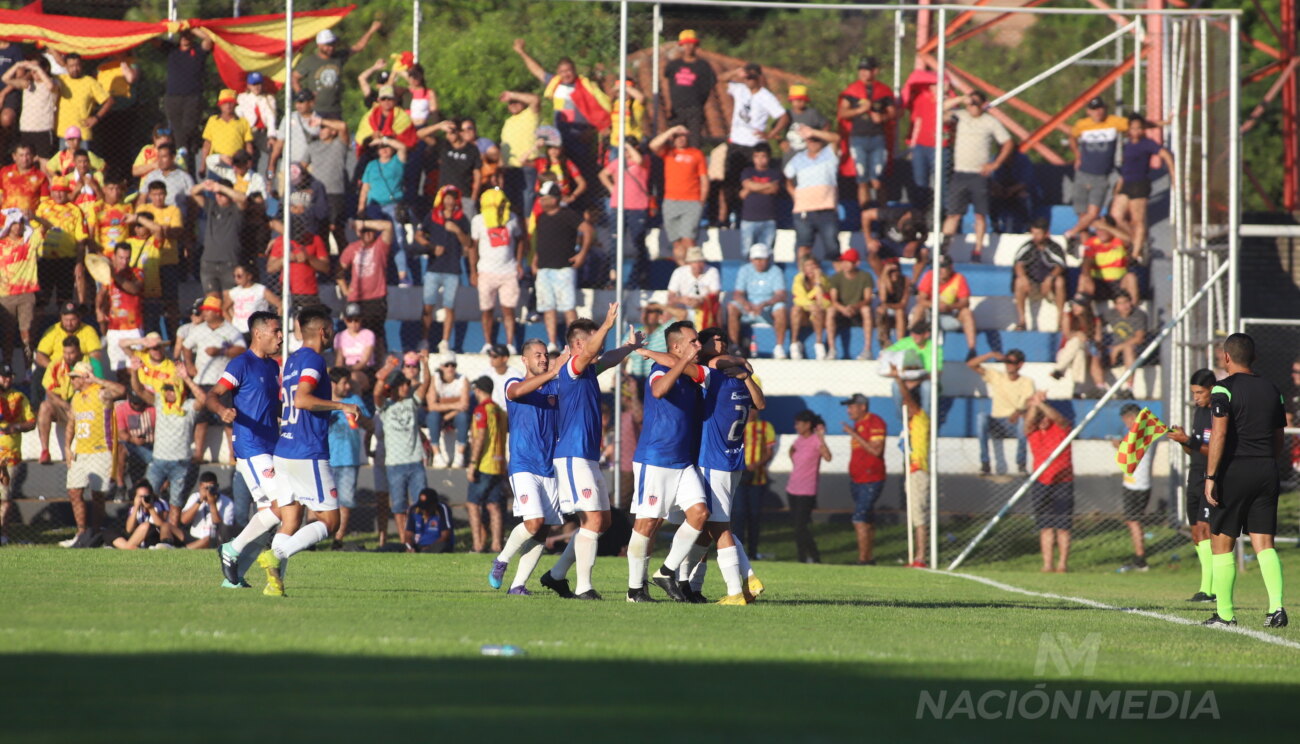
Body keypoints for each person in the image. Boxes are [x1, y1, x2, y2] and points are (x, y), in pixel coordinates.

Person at [515, 303, 642, 600]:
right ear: (580, 344)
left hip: (586, 456)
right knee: (592, 522)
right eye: (594, 337)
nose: (600, 343)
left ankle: (556, 575)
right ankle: (584, 587)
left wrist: (628, 347)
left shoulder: (586, 369)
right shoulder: (572, 367)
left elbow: (607, 358)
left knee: (604, 521)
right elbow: (589, 354)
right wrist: (608, 325)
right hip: (572, 457)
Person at [259, 307, 361, 597]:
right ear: (323, 331)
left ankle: (274, 585)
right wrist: (342, 406)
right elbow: (302, 400)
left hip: (285, 449)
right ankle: (275, 556)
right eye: (331, 329)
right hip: (307, 451)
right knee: (330, 521)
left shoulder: (292, 360)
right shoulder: (315, 360)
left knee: (290, 522)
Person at [1202, 333, 1287, 627]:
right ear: (1255, 358)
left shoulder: (1223, 389)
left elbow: (1220, 433)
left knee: (1222, 544)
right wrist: (1269, 462)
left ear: (1226, 357)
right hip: (1266, 469)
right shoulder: (1272, 389)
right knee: (1264, 542)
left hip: (1235, 471)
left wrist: (1211, 476)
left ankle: (1225, 614)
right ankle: (1276, 608)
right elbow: (1279, 436)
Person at [626, 320, 708, 602]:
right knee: (647, 524)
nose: (699, 346)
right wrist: (668, 360)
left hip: (683, 462)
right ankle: (635, 590)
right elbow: (659, 390)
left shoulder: (692, 375)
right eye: (693, 342)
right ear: (676, 346)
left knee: (700, 514)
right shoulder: (660, 370)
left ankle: (666, 571)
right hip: (655, 458)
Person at [692, 327, 766, 604]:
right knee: (706, 528)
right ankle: (693, 586)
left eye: (723, 339)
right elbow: (760, 402)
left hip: (713, 458)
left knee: (717, 526)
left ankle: (743, 582)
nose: (720, 344)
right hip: (732, 459)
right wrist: (744, 367)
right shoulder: (737, 377)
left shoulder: (716, 377)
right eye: (716, 339)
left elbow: (711, 364)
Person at [212, 311, 285, 587]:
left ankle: (234, 578)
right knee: (282, 507)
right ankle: (231, 549)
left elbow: (271, 405)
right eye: (276, 331)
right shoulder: (240, 364)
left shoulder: (272, 366)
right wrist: (222, 410)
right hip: (251, 446)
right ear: (258, 333)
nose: (280, 337)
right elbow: (214, 395)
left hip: (271, 444)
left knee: (269, 514)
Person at [491, 339, 565, 594]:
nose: (543, 359)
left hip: (549, 467)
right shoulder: (513, 382)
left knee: (542, 531)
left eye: (545, 355)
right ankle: (501, 559)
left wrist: (628, 349)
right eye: (537, 355)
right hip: (523, 465)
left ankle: (518, 585)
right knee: (534, 522)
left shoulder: (555, 386)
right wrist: (554, 371)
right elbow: (514, 394)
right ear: (524, 360)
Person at [940, 91, 1013, 262]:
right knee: (953, 214)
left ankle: (977, 250)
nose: (972, 106)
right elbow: (941, 110)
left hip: (979, 174)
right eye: (970, 103)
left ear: (983, 104)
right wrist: (960, 99)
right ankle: (943, 250)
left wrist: (995, 164)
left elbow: (1007, 142)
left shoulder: (990, 122)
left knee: (980, 214)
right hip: (960, 172)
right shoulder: (961, 116)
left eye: (975, 103)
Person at [60, 362, 125, 548]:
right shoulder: (76, 398)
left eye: (75, 377)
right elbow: (72, 422)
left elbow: (121, 390)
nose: (72, 381)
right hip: (81, 451)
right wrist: (67, 446)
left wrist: (96, 379)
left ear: (84, 377)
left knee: (97, 495)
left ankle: (96, 533)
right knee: (74, 491)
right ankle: (81, 532)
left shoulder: (101, 392)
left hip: (100, 451)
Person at [1168, 368, 1218, 603]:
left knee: (1207, 530)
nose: (1196, 397)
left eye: (1200, 392)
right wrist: (1183, 440)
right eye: (1193, 393)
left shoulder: (1218, 414)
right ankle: (1205, 588)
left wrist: (1188, 441)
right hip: (1195, 474)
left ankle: (1210, 589)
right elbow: (1194, 450)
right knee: (1197, 533)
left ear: (1211, 389)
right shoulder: (1199, 412)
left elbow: (1216, 451)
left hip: (1211, 477)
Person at [719, 63, 788, 226]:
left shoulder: (765, 96)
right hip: (736, 142)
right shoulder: (740, 89)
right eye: (747, 77)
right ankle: (728, 217)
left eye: (752, 77)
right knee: (730, 183)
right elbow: (720, 80)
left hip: (753, 145)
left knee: (751, 183)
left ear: (759, 78)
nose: (749, 80)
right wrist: (736, 72)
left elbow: (783, 116)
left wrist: (771, 134)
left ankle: (746, 216)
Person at [374, 352, 431, 546]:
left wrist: (425, 364)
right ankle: (405, 542)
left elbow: (426, 384)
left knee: (421, 504)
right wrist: (388, 368)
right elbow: (376, 392)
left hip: (415, 462)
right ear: (397, 387)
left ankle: (421, 539)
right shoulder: (385, 406)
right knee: (398, 507)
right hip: (394, 464)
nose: (408, 387)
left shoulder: (412, 402)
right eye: (404, 385)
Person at [531, 180, 592, 352]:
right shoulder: (541, 218)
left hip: (563, 269)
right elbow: (540, 242)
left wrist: (582, 254)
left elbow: (587, 229)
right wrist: (535, 261)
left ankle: (576, 344)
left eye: (545, 197)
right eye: (540, 197)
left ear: (555, 198)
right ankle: (552, 343)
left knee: (568, 308)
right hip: (544, 269)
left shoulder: (568, 215)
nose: (541, 200)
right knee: (547, 307)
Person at [183, 295, 244, 462]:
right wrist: (189, 364)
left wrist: (221, 352)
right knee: (201, 420)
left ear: (217, 312)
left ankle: (233, 455)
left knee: (229, 420)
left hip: (223, 383)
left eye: (208, 311)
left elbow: (241, 350)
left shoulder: (231, 330)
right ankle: (198, 454)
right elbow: (186, 347)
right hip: (202, 381)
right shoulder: (198, 330)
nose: (205, 314)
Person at [139, 369, 205, 525]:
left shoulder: (188, 406)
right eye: (166, 390)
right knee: (147, 498)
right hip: (158, 461)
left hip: (181, 463)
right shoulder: (160, 403)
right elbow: (140, 391)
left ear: (180, 390)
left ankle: (171, 540)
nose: (168, 393)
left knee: (176, 503)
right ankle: (146, 533)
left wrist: (186, 379)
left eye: (172, 389)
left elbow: (203, 398)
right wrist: (135, 372)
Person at [1111, 114, 1175, 264]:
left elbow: (1165, 154)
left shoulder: (1147, 144)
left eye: (1139, 128)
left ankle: (1135, 253)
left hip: (1140, 184)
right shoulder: (1127, 144)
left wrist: (1173, 175)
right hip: (1126, 182)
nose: (1136, 131)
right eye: (1133, 128)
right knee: (1116, 217)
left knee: (1137, 219)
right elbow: (1126, 167)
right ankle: (1136, 240)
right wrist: (1119, 184)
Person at [1064, 97, 1127, 245]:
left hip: (1101, 175)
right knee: (1082, 214)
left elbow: (1136, 126)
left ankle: (1071, 233)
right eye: (1094, 109)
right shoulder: (1082, 125)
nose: (1097, 112)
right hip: (1083, 173)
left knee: (1093, 213)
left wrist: (1163, 123)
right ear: (1088, 112)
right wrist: (1077, 156)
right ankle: (1086, 248)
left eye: (1100, 108)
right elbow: (1072, 137)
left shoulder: (1113, 122)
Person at [414, 186, 469, 352]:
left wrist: (457, 231)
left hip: (452, 269)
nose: (450, 201)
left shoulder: (461, 219)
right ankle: (424, 339)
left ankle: (445, 341)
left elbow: (468, 243)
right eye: (447, 198)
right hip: (434, 268)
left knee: (449, 306)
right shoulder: (432, 216)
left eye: (453, 198)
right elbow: (419, 235)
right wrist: (431, 247)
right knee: (428, 305)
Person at [469, 189, 525, 353]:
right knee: (487, 310)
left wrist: (519, 263)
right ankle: (488, 343)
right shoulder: (478, 220)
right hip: (485, 271)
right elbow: (472, 247)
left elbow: (521, 240)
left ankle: (509, 344)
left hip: (508, 271)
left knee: (509, 310)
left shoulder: (512, 218)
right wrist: (473, 271)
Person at [1024, 392, 1074, 573]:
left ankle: (1062, 564)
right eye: (1040, 417)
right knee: (1045, 526)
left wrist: (1041, 405)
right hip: (1042, 482)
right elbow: (1027, 424)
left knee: (1063, 526)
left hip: (1063, 481)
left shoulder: (1061, 428)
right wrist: (1034, 406)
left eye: (1045, 416)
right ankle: (1047, 564)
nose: (1043, 420)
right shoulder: (1034, 432)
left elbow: (1059, 419)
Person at [837, 56, 895, 208]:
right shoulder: (852, 90)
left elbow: (894, 112)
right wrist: (859, 110)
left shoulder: (883, 90)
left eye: (867, 70)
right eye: (861, 70)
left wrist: (882, 117)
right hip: (858, 138)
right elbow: (842, 112)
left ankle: (883, 216)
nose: (863, 73)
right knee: (861, 179)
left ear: (875, 71)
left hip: (877, 138)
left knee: (877, 179)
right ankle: (865, 217)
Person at [293, 23, 383, 121]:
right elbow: (294, 78)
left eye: (332, 45)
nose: (331, 48)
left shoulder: (338, 57)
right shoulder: (310, 61)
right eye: (327, 45)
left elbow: (358, 47)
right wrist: (303, 96)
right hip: (316, 110)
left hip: (334, 109)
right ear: (319, 45)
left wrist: (371, 30)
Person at [968, 349, 1035, 477]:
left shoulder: (1027, 382)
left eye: (1012, 362)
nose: (1008, 365)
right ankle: (985, 464)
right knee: (981, 417)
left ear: (1020, 364)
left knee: (1023, 421)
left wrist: (1018, 412)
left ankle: (1021, 464)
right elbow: (971, 365)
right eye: (1006, 361)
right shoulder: (996, 376)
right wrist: (991, 355)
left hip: (1014, 423)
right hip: (997, 421)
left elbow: (1029, 403)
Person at [889, 364, 931, 567]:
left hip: (918, 470)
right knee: (915, 515)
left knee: (919, 515)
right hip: (911, 471)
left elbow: (909, 400)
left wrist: (899, 380)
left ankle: (920, 557)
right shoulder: (910, 425)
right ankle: (917, 556)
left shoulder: (921, 419)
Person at [357, 135, 411, 286]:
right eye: (381, 148)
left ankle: (402, 276)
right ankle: (378, 275)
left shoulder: (397, 162)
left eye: (386, 147)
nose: (384, 150)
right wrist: (361, 210)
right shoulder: (372, 165)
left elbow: (403, 148)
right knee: (376, 241)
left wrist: (384, 140)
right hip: (374, 207)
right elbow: (365, 188)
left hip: (392, 206)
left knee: (397, 240)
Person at [327, 367, 372, 549]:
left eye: (349, 382)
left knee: (345, 500)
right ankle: (312, 541)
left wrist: (359, 418)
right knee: (318, 499)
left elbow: (370, 424)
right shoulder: (323, 402)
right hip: (325, 459)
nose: (347, 386)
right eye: (344, 383)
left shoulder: (354, 400)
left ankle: (338, 540)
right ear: (333, 384)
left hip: (348, 459)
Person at [649, 125, 708, 264]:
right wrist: (671, 130)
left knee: (688, 240)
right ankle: (682, 271)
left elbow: (704, 178)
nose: (680, 139)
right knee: (677, 243)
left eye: (683, 136)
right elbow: (653, 145)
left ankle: (693, 270)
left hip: (692, 201)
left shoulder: (696, 154)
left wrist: (702, 201)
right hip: (671, 201)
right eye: (677, 137)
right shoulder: (668, 153)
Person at [783, 123, 842, 261]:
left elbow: (837, 138)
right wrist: (795, 195)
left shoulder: (829, 153)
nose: (813, 143)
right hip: (803, 211)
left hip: (826, 209)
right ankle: (802, 280)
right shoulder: (798, 158)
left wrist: (813, 132)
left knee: (832, 247)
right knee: (804, 247)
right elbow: (788, 180)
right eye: (810, 140)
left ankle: (832, 280)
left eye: (816, 139)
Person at [337, 218, 391, 360]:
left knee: (377, 336)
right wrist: (345, 290)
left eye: (370, 232)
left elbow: (388, 226)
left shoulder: (380, 246)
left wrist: (364, 224)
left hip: (376, 298)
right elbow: (339, 270)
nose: (367, 235)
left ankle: (378, 367)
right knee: (354, 333)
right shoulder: (352, 248)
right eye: (364, 232)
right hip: (357, 299)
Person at [842, 393, 886, 565]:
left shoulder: (874, 422)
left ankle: (862, 560)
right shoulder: (858, 424)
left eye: (851, 407)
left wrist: (854, 434)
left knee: (859, 518)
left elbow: (876, 451)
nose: (848, 411)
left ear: (863, 407)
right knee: (866, 519)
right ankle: (869, 558)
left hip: (871, 478)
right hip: (857, 479)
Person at [467, 376, 508, 554]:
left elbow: (480, 436)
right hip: (499, 464)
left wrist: (473, 463)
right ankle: (497, 545)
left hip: (484, 464)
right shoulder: (499, 410)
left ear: (478, 390)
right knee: (494, 506)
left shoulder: (481, 410)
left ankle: (477, 545)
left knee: (473, 504)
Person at [727, 242, 788, 359]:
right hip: (749, 307)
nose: (759, 262)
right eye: (756, 259)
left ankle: (779, 347)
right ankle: (735, 346)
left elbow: (781, 295)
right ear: (751, 259)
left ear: (768, 259)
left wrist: (765, 303)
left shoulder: (775, 271)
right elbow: (737, 294)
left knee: (780, 307)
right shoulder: (744, 270)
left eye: (762, 259)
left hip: (768, 308)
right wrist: (746, 304)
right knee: (732, 306)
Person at [1116, 403, 1158, 571]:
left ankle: (1140, 560)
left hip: (1137, 487)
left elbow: (1130, 449)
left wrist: (1118, 444)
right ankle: (1139, 556)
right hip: (1131, 484)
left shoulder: (1143, 434)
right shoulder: (1137, 434)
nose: (1125, 423)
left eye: (1125, 419)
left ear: (1131, 418)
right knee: (1132, 520)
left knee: (1134, 521)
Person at [189, 178, 247, 295]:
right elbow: (193, 193)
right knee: (212, 302)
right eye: (217, 194)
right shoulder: (211, 206)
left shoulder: (236, 209)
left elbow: (243, 198)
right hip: (209, 262)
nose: (219, 197)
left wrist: (221, 188)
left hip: (229, 262)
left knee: (228, 303)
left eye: (222, 195)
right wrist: (205, 185)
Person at [788, 410, 831, 564]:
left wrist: (821, 437)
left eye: (798, 423)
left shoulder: (816, 440)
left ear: (807, 424)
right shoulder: (799, 440)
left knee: (801, 526)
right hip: (792, 489)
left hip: (807, 491)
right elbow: (792, 450)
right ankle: (805, 557)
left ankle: (811, 557)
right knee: (798, 527)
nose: (796, 426)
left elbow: (828, 457)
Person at [97, 242, 144, 376]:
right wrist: (98, 310)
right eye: (121, 258)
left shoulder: (137, 272)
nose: (124, 261)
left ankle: (135, 396)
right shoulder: (107, 276)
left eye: (127, 258)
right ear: (114, 257)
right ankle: (124, 397)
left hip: (133, 328)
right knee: (120, 370)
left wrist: (114, 275)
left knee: (134, 368)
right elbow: (100, 295)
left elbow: (134, 289)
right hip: (114, 328)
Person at [1013, 218, 1068, 331]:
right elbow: (1018, 263)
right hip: (1032, 286)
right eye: (1033, 233)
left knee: (1060, 281)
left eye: (1038, 233)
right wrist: (1023, 277)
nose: (1035, 236)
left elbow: (1060, 265)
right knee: (1019, 282)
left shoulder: (1055, 247)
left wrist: (1049, 278)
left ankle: (1060, 322)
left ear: (1046, 233)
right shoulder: (1027, 246)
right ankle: (1022, 321)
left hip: (1050, 288)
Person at [663, 30, 715, 148]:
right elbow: (667, 83)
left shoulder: (703, 66)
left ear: (696, 45)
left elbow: (708, 86)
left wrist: (700, 103)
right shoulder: (673, 65)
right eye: (685, 44)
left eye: (691, 43)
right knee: (674, 140)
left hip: (694, 109)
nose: (688, 47)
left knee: (694, 141)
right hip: (676, 109)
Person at [913, 256, 977, 353]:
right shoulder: (929, 276)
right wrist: (934, 305)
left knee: (966, 312)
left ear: (950, 267)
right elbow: (921, 299)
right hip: (930, 315)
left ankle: (972, 350)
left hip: (949, 314)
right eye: (937, 267)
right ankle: (912, 341)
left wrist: (949, 307)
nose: (940, 270)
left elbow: (965, 302)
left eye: (943, 267)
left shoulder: (958, 278)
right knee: (919, 309)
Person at [0, 363, 33, 542]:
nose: (7, 379)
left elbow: (32, 422)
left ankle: (4, 535)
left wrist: (17, 426)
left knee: (5, 496)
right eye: (3, 376)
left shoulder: (19, 397)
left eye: (9, 376)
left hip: (9, 455)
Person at [826, 249, 875, 361]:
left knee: (866, 310)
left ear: (856, 263)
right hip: (841, 309)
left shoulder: (865, 276)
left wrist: (855, 307)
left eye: (848, 261)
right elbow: (833, 300)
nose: (845, 264)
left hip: (857, 308)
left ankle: (867, 350)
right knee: (830, 311)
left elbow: (868, 298)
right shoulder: (836, 277)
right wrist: (843, 309)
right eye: (843, 261)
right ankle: (832, 349)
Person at [55, 53, 113, 148]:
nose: (75, 69)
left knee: (83, 162)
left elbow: (109, 101)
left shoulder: (90, 82)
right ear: (66, 67)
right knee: (64, 162)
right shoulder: (61, 80)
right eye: (71, 66)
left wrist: (96, 118)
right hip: (64, 134)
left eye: (77, 65)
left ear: (82, 65)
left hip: (82, 134)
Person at [1077, 216, 1139, 303]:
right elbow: (1087, 261)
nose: (1100, 232)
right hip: (1098, 282)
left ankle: (1134, 309)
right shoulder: (1092, 242)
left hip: (1118, 282)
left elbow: (1129, 239)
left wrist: (1105, 226)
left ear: (1111, 229)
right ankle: (1081, 307)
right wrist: (1087, 276)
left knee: (1131, 277)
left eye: (1103, 229)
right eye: (1098, 229)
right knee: (1083, 277)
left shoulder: (1118, 241)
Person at [1099, 289, 1147, 398]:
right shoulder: (1111, 314)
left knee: (1128, 348)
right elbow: (1096, 322)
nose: (1125, 306)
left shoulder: (1139, 315)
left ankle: (1129, 388)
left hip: (1135, 349)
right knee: (1094, 350)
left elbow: (1139, 338)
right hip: (1113, 347)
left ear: (1131, 302)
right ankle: (1100, 388)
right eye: (1120, 303)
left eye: (1126, 302)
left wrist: (1118, 348)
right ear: (1115, 305)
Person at [425, 351, 470, 467]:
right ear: (441, 367)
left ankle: (460, 456)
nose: (450, 368)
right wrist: (455, 404)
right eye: (446, 365)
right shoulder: (435, 379)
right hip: (440, 415)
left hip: (453, 415)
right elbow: (431, 406)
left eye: (453, 365)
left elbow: (464, 405)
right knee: (433, 416)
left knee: (463, 417)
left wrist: (445, 414)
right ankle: (437, 455)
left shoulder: (462, 380)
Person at [199, 89, 254, 179]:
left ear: (235, 104)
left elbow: (248, 145)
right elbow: (207, 144)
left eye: (231, 102)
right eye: (225, 103)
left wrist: (249, 164)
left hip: (236, 165)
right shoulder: (213, 120)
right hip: (216, 164)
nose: (228, 106)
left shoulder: (243, 122)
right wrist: (203, 166)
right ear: (220, 105)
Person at [111, 481, 182, 550]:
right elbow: (129, 529)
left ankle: (127, 548)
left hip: (156, 535)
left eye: (146, 496)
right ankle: (128, 547)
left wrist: (150, 508)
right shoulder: (134, 508)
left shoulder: (160, 504)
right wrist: (136, 507)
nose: (144, 499)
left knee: (146, 525)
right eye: (140, 496)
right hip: (140, 536)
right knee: (110, 532)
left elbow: (162, 526)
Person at [737, 142, 781, 252]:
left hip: (768, 220)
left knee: (767, 252)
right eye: (756, 156)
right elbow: (746, 185)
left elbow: (774, 189)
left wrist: (752, 188)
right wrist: (767, 185)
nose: (760, 160)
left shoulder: (774, 173)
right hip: (749, 220)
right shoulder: (748, 171)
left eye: (763, 156)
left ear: (769, 157)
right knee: (747, 252)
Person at [665, 246, 721, 324]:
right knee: (670, 306)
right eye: (694, 261)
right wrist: (681, 299)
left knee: (717, 307)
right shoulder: (679, 272)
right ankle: (669, 333)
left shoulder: (712, 271)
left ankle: (717, 334)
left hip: (704, 306)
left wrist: (700, 300)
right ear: (689, 263)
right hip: (684, 306)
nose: (698, 265)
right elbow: (670, 296)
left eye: (700, 261)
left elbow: (715, 294)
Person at [790, 255, 831, 361]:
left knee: (817, 309)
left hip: (820, 314)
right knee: (795, 309)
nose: (811, 268)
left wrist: (817, 281)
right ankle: (794, 344)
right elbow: (798, 298)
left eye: (813, 265)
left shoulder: (824, 279)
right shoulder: (798, 278)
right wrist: (810, 305)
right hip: (805, 312)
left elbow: (824, 302)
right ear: (803, 268)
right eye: (808, 265)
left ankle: (819, 344)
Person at [180, 472, 235, 549]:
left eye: (211, 488)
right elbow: (183, 520)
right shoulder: (195, 497)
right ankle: (166, 545)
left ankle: (183, 551)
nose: (208, 491)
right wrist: (200, 501)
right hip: (194, 536)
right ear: (200, 487)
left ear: (217, 487)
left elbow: (221, 529)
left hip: (214, 538)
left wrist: (212, 504)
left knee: (208, 539)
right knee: (167, 526)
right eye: (205, 488)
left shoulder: (227, 502)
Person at [223, 264, 281, 336]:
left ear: (249, 276)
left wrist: (275, 322)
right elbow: (224, 309)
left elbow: (279, 304)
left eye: (239, 276)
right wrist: (232, 323)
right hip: (238, 331)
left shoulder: (260, 290)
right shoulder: (234, 292)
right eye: (234, 276)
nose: (236, 279)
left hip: (257, 330)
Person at [332, 303, 375, 394]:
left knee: (354, 378)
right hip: (346, 369)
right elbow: (339, 361)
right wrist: (339, 373)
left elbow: (364, 361)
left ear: (361, 319)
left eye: (356, 320)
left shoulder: (368, 334)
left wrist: (348, 370)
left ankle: (356, 405)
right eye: (349, 320)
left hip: (365, 370)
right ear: (345, 320)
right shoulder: (340, 336)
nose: (353, 323)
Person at [784, 84, 829, 160]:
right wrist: (781, 142)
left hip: (809, 156)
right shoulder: (786, 114)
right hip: (790, 156)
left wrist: (820, 141)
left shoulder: (812, 113)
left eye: (802, 100)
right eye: (797, 100)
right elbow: (775, 127)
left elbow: (826, 125)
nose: (800, 102)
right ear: (791, 101)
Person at [404, 488, 454, 553]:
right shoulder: (413, 509)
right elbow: (408, 533)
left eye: (427, 507)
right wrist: (410, 547)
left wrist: (428, 548)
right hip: (417, 545)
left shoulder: (442, 509)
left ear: (434, 504)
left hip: (435, 545)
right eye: (422, 508)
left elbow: (445, 535)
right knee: (389, 547)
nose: (424, 510)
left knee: (442, 546)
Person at [478, 345, 523, 411]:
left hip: (510, 412)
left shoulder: (516, 375)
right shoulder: (485, 374)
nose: (491, 359)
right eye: (490, 355)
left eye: (495, 356)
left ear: (505, 358)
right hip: (491, 411)